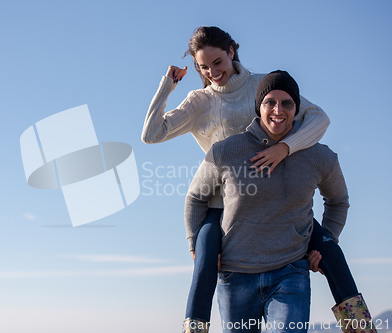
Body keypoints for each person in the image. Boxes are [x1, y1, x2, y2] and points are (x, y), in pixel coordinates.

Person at [141, 27, 372, 333]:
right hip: (222, 205)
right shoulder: (199, 101)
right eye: (203, 67)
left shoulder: (265, 89)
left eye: (218, 63)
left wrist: (285, 147)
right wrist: (167, 86)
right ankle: (194, 328)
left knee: (331, 252)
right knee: (204, 266)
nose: (212, 72)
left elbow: (320, 119)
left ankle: (361, 328)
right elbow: (152, 134)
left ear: (231, 53)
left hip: (275, 205)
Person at [184, 70, 373, 333]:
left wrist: (327, 241)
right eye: (270, 102)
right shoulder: (226, 151)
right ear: (258, 106)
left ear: (296, 108)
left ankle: (361, 328)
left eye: (287, 103)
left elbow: (338, 201)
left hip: (290, 271)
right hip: (235, 274)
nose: (278, 110)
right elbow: (195, 198)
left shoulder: (319, 156)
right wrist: (196, 244)